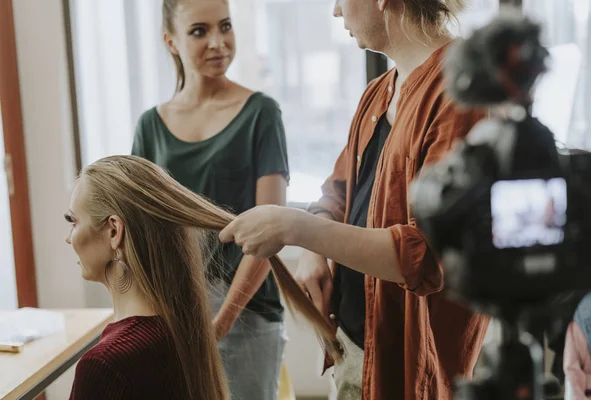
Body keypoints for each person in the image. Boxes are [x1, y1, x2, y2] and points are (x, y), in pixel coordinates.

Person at [219, 0, 491, 399]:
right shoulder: (378, 93)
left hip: (412, 366)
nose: (335, 12)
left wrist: (297, 229)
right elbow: (339, 189)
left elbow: (428, 254)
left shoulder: (462, 95)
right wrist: (312, 250)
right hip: (352, 345)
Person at [65, 155, 339, 400]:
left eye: (74, 222)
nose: (69, 238)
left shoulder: (105, 365)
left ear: (114, 231)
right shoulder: (181, 332)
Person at [132, 0, 290, 398]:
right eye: (199, 31)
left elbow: (271, 231)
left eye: (225, 26)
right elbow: (140, 231)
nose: (218, 42)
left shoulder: (261, 113)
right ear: (170, 41)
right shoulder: (150, 126)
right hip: (174, 311)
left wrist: (222, 319)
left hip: (247, 313)